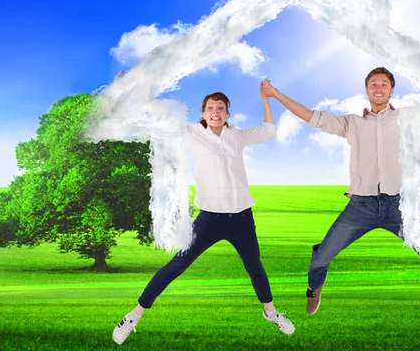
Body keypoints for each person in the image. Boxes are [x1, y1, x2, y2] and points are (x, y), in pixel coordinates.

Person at [261, 51, 420, 325]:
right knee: (322, 257)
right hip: (360, 207)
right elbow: (311, 116)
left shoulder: (409, 117)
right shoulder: (351, 123)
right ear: (366, 90)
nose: (378, 88)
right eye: (373, 84)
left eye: (383, 84)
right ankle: (314, 288)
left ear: (392, 90)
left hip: (400, 207)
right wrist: (276, 94)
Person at [113, 80, 296, 345]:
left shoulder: (238, 136)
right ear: (203, 112)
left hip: (242, 218)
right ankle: (133, 316)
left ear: (227, 113)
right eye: (210, 108)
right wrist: (135, 88)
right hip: (209, 219)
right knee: (176, 265)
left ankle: (271, 312)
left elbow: (269, 130)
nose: (215, 112)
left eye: (220, 108)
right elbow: (161, 115)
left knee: (255, 267)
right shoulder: (191, 133)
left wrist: (266, 98)